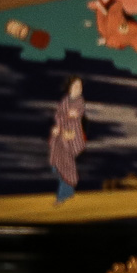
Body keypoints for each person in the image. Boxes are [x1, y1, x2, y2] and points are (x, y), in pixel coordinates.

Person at [48, 76, 86, 204]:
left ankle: (62, 195)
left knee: (67, 164)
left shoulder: (80, 102)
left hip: (72, 136)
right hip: (61, 136)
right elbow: (60, 115)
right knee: (57, 166)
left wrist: (64, 122)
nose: (78, 88)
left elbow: (74, 115)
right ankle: (67, 192)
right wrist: (58, 128)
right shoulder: (64, 101)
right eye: (75, 86)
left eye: (80, 86)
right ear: (70, 87)